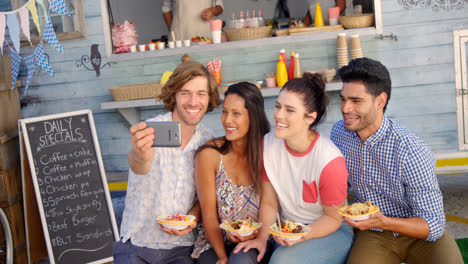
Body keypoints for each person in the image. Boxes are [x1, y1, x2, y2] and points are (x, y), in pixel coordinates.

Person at [330, 57, 464, 264]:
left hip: (418, 232)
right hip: (373, 233)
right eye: (343, 99)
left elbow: (433, 224)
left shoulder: (411, 149)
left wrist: (385, 221)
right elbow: (339, 183)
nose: (346, 108)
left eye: (356, 101)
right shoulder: (339, 133)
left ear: (380, 101)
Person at [235, 73, 354, 264]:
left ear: (310, 117)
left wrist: (300, 235)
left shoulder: (329, 160)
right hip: (287, 230)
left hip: (330, 230)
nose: (279, 115)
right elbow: (270, 202)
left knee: (282, 261)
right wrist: (262, 239)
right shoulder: (268, 144)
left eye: (289, 110)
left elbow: (333, 218)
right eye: (277, 106)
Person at [113, 61, 221, 264]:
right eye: (185, 93)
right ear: (174, 96)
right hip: (137, 244)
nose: (193, 101)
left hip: (180, 250)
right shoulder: (151, 131)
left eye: (201, 94)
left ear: (209, 98)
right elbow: (138, 164)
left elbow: (205, 195)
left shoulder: (208, 141)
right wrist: (140, 155)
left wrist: (192, 218)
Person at [191, 82, 271, 264]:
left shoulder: (268, 152)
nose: (227, 120)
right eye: (225, 111)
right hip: (213, 243)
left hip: (255, 241)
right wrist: (222, 257)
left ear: (253, 116)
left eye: (236, 113)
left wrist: (258, 235)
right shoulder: (210, 154)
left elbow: (271, 205)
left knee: (241, 260)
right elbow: (209, 215)